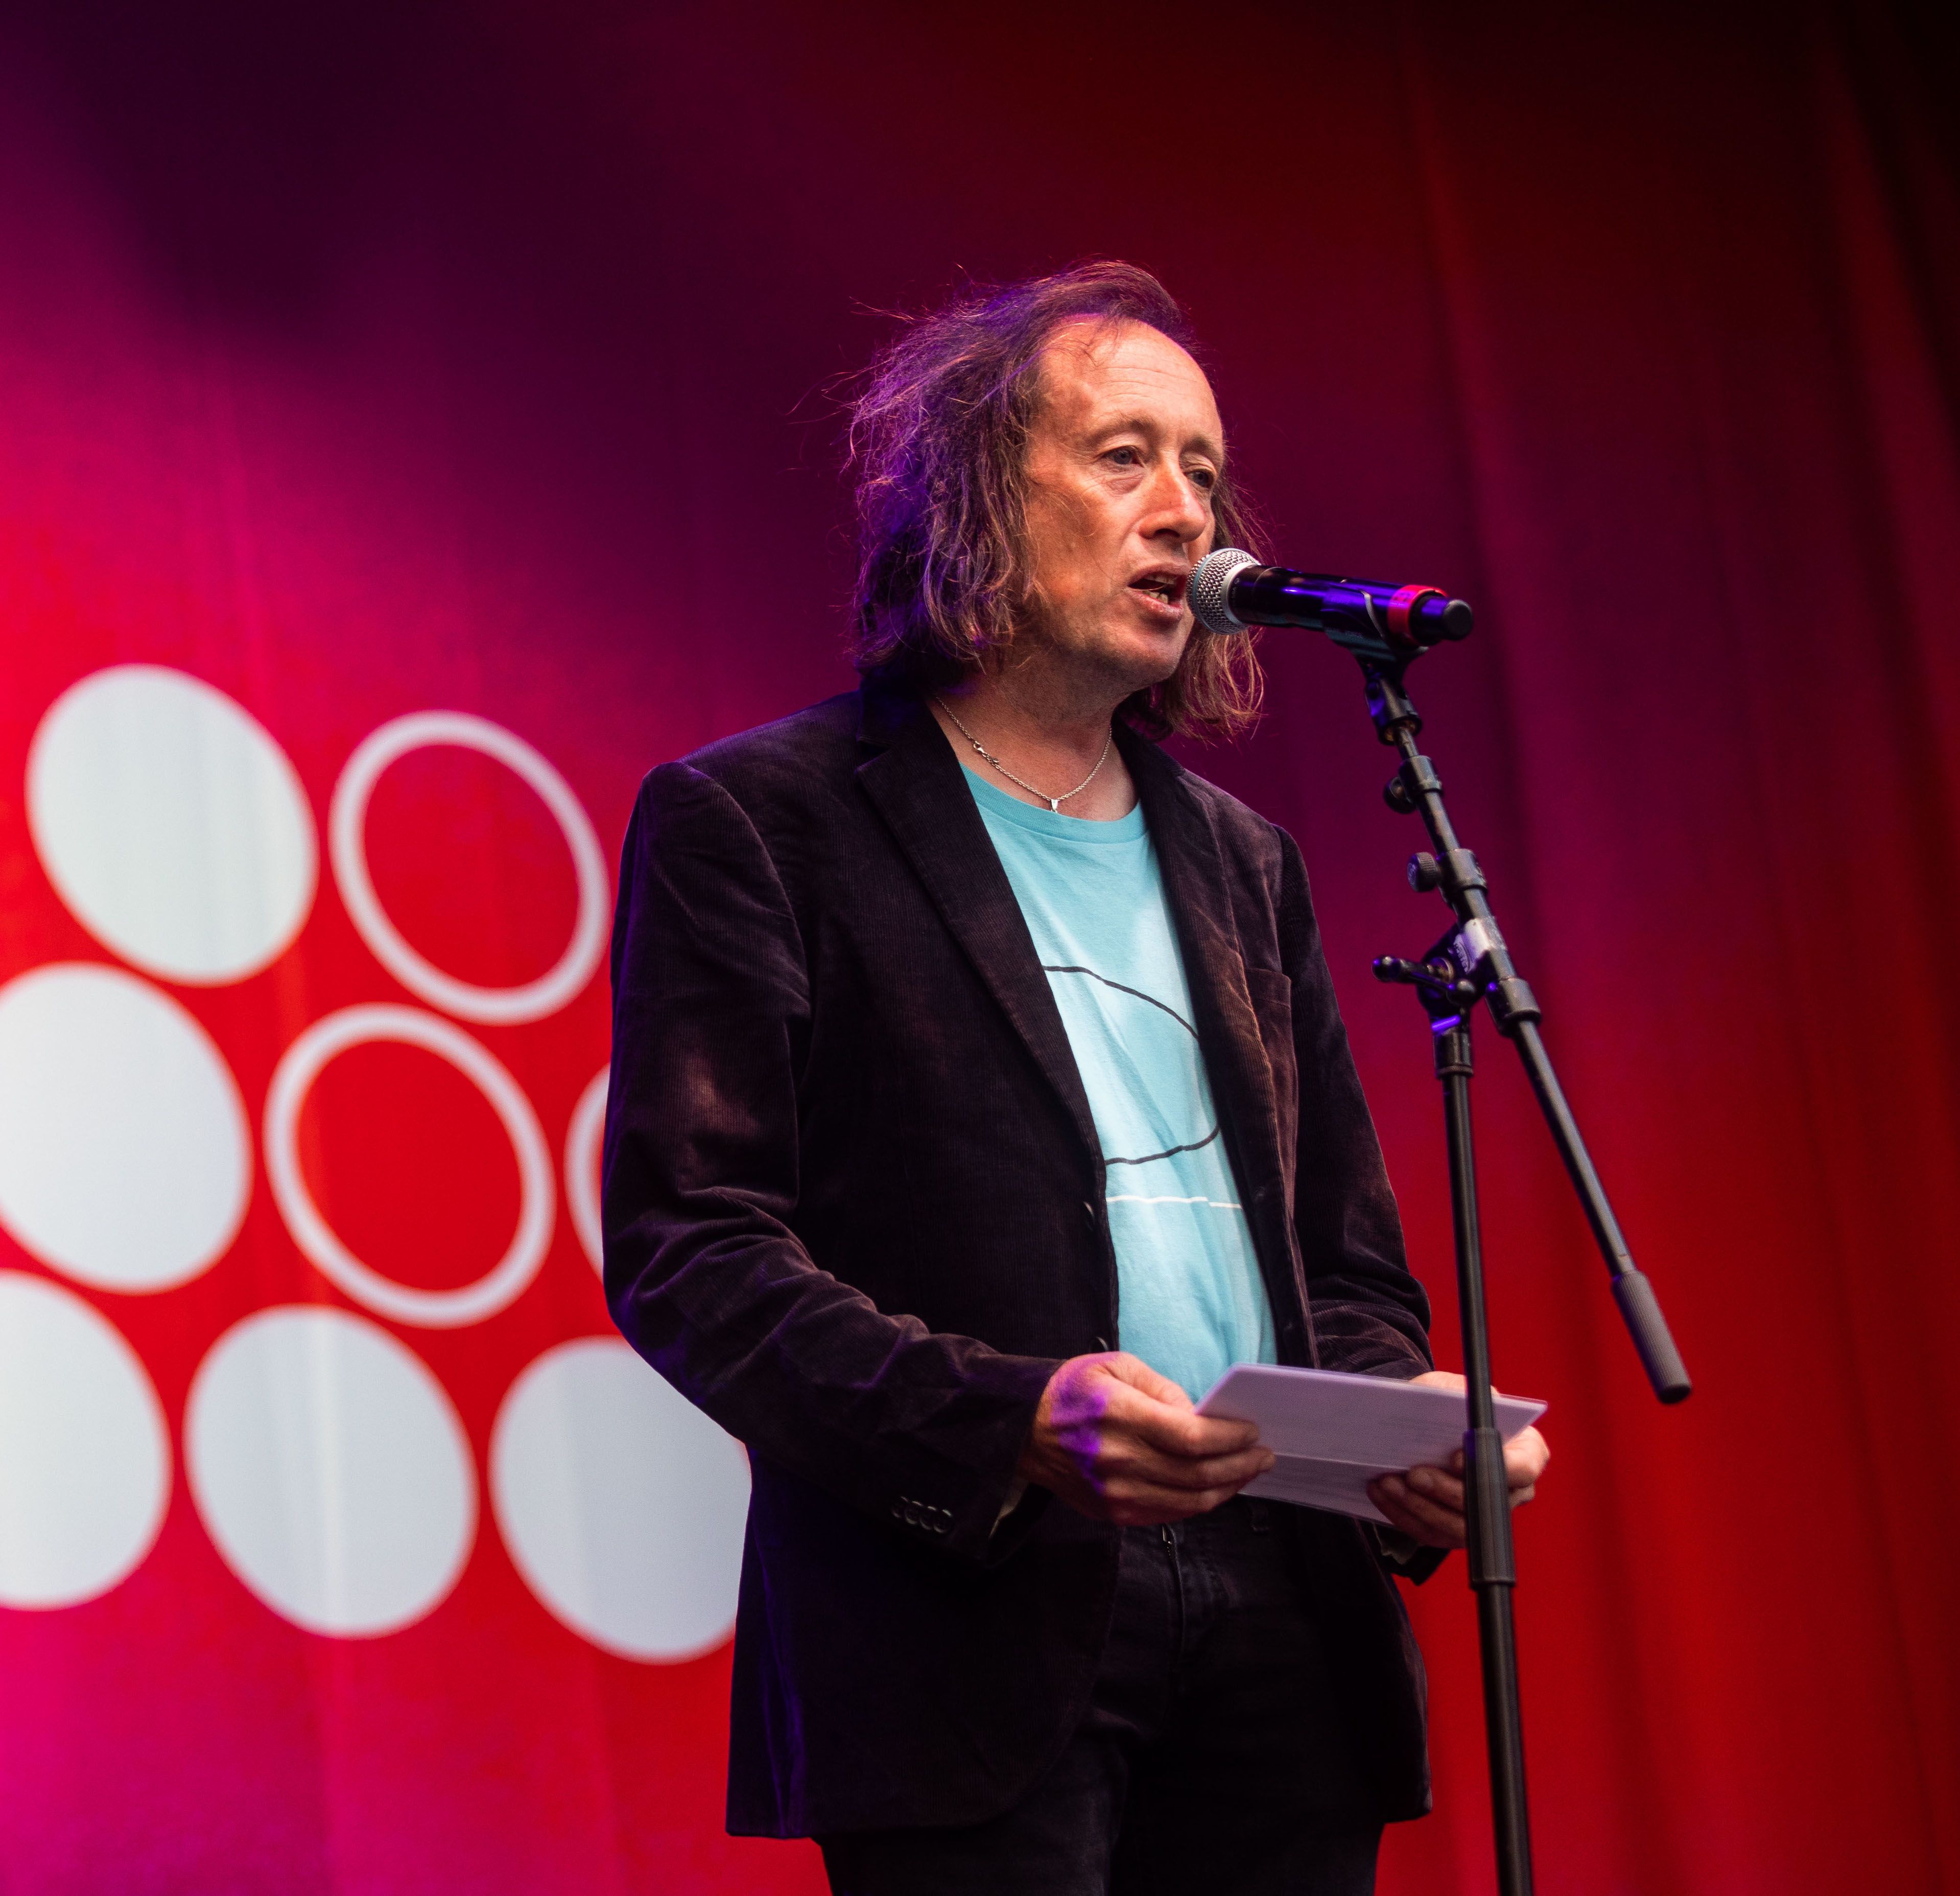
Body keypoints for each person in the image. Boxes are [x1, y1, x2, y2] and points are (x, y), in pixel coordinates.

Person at [602, 260, 1549, 1895]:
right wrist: (1012, 1421)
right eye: (1124, 457)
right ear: (975, 496)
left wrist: (1397, 1429)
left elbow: (1346, 1264)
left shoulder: (1245, 863)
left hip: (1283, 1610)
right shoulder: (762, 819)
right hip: (972, 1616)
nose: (1184, 510)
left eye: (1202, 468)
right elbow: (693, 1253)